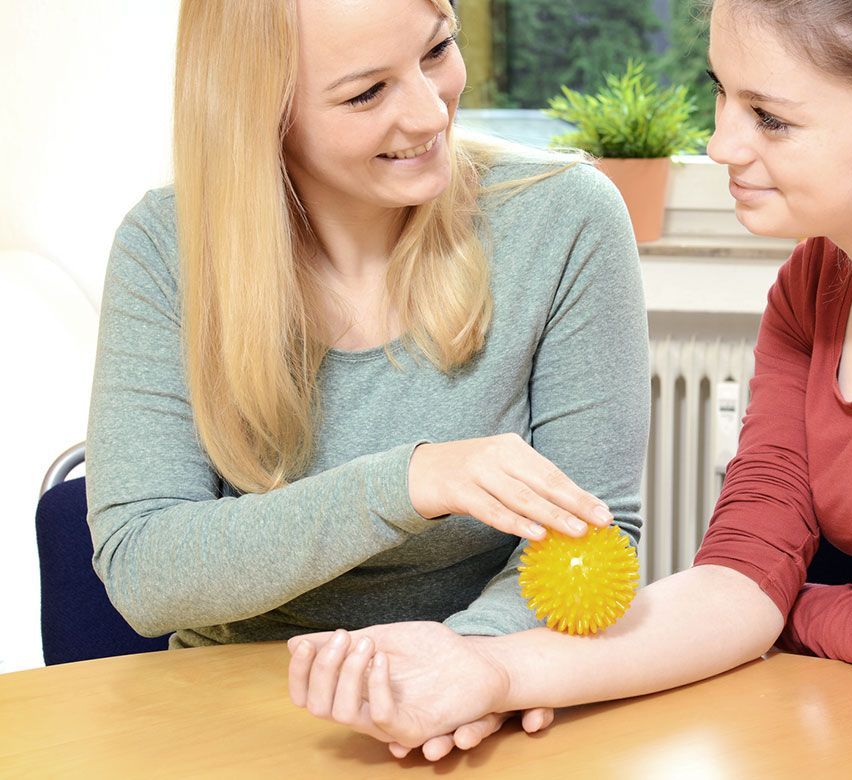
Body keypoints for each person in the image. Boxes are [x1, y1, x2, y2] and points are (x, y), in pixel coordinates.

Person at [288, 0, 852, 761]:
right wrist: (490, 670)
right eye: (721, 94)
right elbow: (742, 575)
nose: (720, 143)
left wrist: (800, 612)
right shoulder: (813, 285)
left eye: (770, 118)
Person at [85, 0, 649, 699]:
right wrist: (408, 483)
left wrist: (463, 668)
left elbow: (597, 532)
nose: (430, 114)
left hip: (486, 691)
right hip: (236, 707)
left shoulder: (566, 218)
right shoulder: (166, 249)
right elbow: (144, 571)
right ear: (260, 111)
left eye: (437, 51)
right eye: (367, 92)